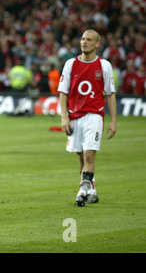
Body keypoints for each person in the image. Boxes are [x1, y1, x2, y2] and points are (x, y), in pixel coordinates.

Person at [58, 29, 117, 207]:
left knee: (89, 155)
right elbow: (63, 92)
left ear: (97, 44)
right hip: (75, 116)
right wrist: (64, 117)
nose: (84, 42)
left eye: (89, 40)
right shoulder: (70, 64)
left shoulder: (104, 66)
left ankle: (82, 190)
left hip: (94, 115)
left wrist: (113, 120)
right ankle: (92, 190)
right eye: (83, 39)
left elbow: (110, 94)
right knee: (80, 156)